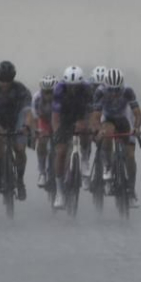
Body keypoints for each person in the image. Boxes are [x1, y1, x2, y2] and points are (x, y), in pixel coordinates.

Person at [91, 68, 141, 207]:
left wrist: (137, 128)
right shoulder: (100, 92)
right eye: (111, 90)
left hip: (124, 119)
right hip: (107, 118)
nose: (114, 93)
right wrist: (99, 130)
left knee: (130, 157)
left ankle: (131, 191)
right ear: (106, 87)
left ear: (122, 86)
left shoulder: (128, 91)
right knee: (108, 131)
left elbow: (138, 114)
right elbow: (95, 117)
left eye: (117, 90)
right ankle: (107, 166)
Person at [0, 61, 33, 201]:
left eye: (8, 80)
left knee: (20, 149)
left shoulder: (21, 89)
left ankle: (20, 181)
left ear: (13, 78)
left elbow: (28, 113)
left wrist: (26, 127)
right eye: (2, 80)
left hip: (17, 119)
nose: (5, 83)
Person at [51, 65, 94, 209]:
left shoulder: (87, 89)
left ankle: (85, 160)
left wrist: (89, 125)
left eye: (76, 86)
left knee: (85, 130)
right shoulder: (59, 89)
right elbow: (56, 115)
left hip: (81, 114)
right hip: (65, 117)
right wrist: (57, 132)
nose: (73, 89)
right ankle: (59, 192)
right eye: (71, 86)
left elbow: (92, 112)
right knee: (61, 152)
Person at [32, 75, 57, 190]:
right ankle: (42, 172)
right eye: (45, 92)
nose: (48, 95)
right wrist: (37, 131)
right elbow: (35, 118)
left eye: (51, 92)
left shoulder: (61, 97)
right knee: (42, 142)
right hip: (44, 120)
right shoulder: (37, 98)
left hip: (58, 120)